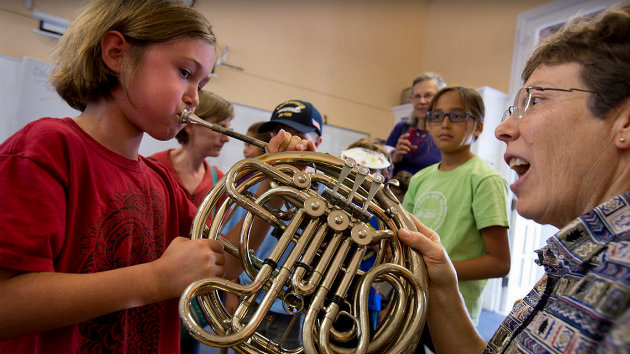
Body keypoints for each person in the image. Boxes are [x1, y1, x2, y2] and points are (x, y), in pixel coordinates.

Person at [0, 1, 314, 352]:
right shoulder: (47, 148)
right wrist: (155, 280)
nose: (194, 98)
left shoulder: (160, 182)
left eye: (202, 82)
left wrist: (276, 185)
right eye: (184, 72)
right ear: (117, 54)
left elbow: (221, 264)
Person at [398, 4, 630, 353]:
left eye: (535, 101)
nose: (502, 129)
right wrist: (442, 282)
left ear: (624, 124)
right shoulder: (574, 259)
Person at [231, 99, 324, 350]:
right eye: (277, 132)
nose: (283, 139)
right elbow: (229, 243)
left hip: (290, 306)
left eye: (295, 133)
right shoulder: (249, 182)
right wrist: (231, 292)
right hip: (245, 296)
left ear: (318, 142)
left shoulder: (325, 195)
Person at [150, 90, 233, 207]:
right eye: (219, 128)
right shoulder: (152, 168)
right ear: (190, 126)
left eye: (229, 130)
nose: (227, 139)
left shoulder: (219, 181)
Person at [385, 72, 446, 176]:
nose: (421, 101)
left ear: (441, 98)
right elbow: (380, 164)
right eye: (417, 96)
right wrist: (394, 157)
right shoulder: (401, 128)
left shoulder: (445, 133)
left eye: (428, 95)